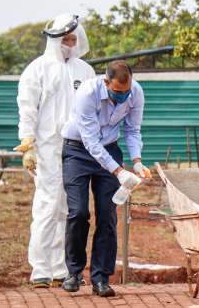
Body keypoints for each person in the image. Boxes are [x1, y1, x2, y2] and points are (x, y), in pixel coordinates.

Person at [14, 14, 96, 288]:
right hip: (47, 149)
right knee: (48, 206)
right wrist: (28, 146)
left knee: (70, 209)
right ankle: (40, 269)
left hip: (78, 150)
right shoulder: (37, 70)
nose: (70, 44)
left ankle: (63, 269)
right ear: (55, 40)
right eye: (65, 39)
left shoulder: (85, 71)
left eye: (74, 39)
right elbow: (27, 109)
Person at [60, 60, 150, 297]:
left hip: (109, 149)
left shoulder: (136, 92)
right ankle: (74, 272)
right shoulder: (87, 93)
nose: (123, 96)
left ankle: (101, 278)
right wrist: (119, 171)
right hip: (78, 151)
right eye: (118, 92)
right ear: (106, 82)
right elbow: (90, 142)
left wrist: (137, 161)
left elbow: (133, 130)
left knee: (107, 216)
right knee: (78, 212)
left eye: (126, 91)